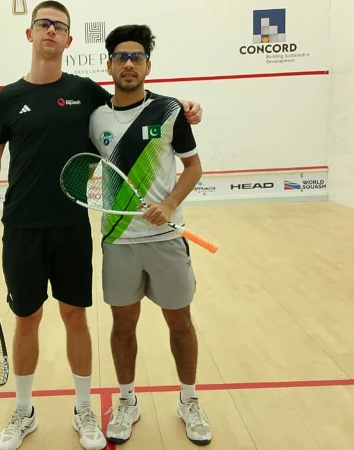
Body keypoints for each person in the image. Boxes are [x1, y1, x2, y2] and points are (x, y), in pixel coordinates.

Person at [0, 2, 203, 449]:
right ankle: (24, 412)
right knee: (26, 320)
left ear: (69, 40)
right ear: (30, 34)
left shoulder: (86, 94)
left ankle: (84, 411)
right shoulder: (5, 99)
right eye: (43, 24)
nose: (51, 31)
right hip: (21, 228)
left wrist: (186, 106)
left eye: (59, 26)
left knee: (75, 317)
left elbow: (133, 101)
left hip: (72, 228)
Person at [87, 24, 213, 446]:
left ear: (147, 66)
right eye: (121, 57)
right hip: (118, 240)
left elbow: (193, 167)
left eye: (136, 57)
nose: (129, 63)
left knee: (180, 322)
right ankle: (127, 401)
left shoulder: (169, 111)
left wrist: (171, 203)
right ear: (109, 65)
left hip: (165, 240)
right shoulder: (95, 117)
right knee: (123, 325)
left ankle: (189, 401)